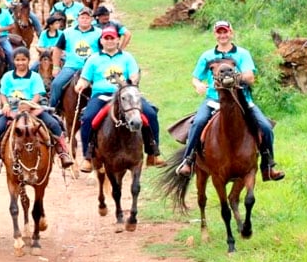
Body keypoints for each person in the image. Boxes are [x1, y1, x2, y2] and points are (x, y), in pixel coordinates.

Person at [176, 20, 285, 181]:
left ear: (231, 33)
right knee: (198, 122)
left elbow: (250, 77)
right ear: (215, 35)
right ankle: (189, 160)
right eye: (219, 32)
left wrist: (233, 78)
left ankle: (267, 166)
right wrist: (198, 85)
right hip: (214, 99)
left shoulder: (242, 54)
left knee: (265, 127)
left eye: (225, 32)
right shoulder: (207, 56)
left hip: (242, 100)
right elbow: (195, 78)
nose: (222, 35)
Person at [74, 25, 165, 173]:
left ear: (118, 40)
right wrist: (80, 84)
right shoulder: (93, 59)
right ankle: (88, 156)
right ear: (101, 41)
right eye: (106, 38)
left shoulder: (127, 57)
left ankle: (153, 152)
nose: (109, 41)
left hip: (127, 95)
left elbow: (134, 75)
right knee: (89, 117)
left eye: (112, 38)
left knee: (150, 114)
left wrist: (132, 81)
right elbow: (85, 78)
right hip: (102, 95)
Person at [0, 47, 74, 173]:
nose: (20, 63)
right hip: (12, 109)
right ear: (14, 61)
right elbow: (2, 94)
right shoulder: (7, 76)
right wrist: (5, 105)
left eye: (23, 59)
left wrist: (31, 104)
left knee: (54, 124)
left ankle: (63, 153)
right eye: (17, 60)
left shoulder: (34, 77)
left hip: (33, 108)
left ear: (28, 60)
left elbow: (38, 94)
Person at [48, 7, 100, 109]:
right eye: (82, 17)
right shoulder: (67, 32)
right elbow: (57, 49)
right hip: (72, 66)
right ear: (78, 19)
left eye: (87, 18)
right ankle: (52, 108)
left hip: (92, 69)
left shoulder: (99, 33)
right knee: (56, 84)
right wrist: (56, 67)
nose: (84, 20)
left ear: (92, 19)